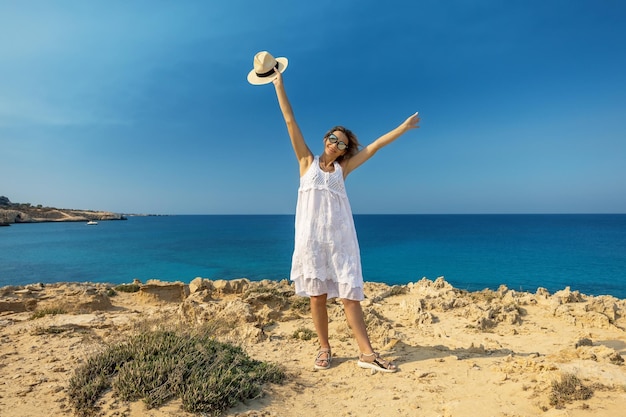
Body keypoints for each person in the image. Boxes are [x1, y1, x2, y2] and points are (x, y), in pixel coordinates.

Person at [270, 62, 420, 373]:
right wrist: (277, 83)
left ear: (345, 150)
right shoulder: (305, 162)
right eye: (332, 138)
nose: (335, 144)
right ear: (325, 138)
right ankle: (325, 348)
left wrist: (402, 128)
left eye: (342, 143)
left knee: (350, 297)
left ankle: (367, 354)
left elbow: (376, 146)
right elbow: (289, 120)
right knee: (317, 298)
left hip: (340, 242)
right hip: (311, 241)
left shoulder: (343, 170)